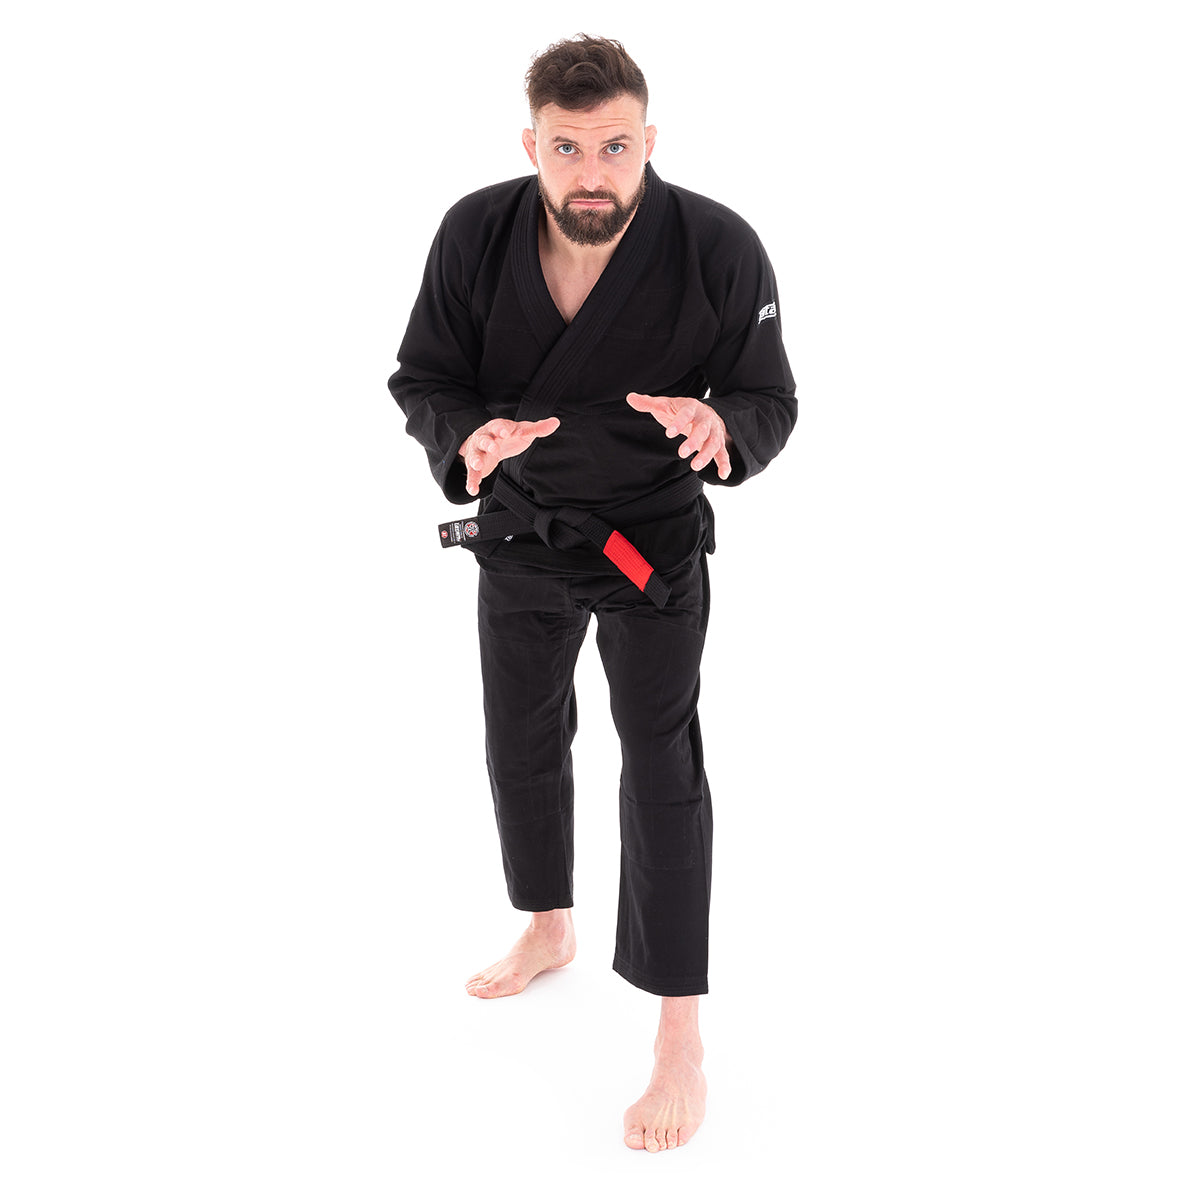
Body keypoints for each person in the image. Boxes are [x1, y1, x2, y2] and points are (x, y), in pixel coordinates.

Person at [389, 34, 796, 1152]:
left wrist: (722, 426)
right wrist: (468, 436)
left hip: (650, 544)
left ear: (648, 141)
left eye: (614, 146)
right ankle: (548, 924)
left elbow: (768, 396)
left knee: (661, 764)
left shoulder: (718, 246)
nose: (591, 173)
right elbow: (424, 375)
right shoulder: (474, 232)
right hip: (523, 528)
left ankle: (679, 1033)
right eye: (567, 148)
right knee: (520, 737)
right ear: (531, 144)